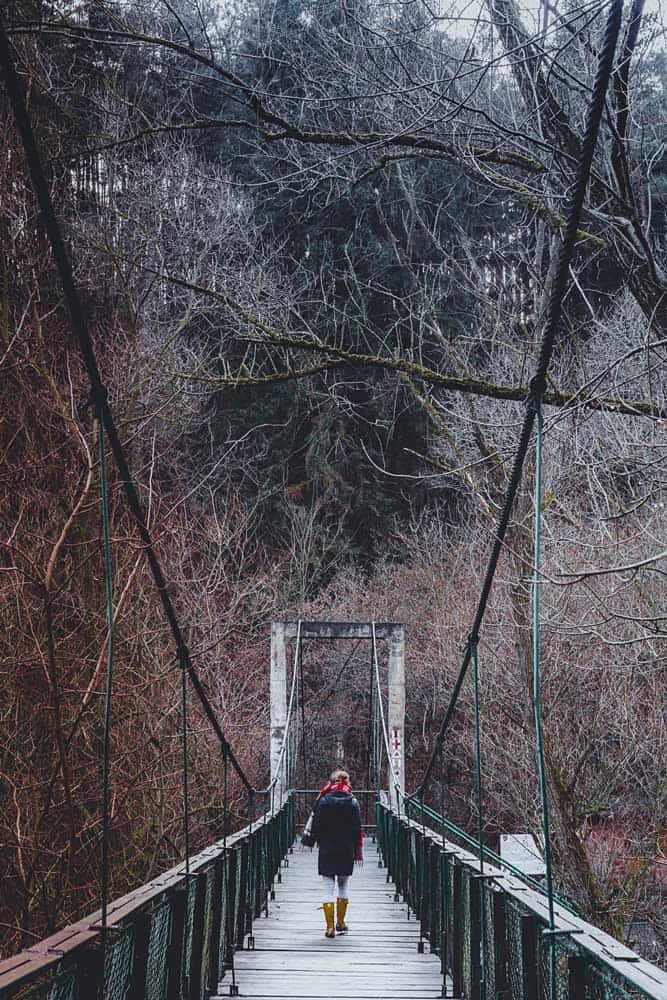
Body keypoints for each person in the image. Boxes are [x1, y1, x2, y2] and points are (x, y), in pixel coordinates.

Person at [310, 769, 363, 938]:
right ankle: (340, 922)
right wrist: (358, 849)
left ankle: (329, 927)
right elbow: (357, 829)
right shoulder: (353, 802)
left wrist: (314, 840)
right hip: (346, 849)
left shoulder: (323, 800)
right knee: (343, 886)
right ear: (347, 782)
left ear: (331, 782)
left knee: (327, 888)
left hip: (327, 849)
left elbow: (316, 825)